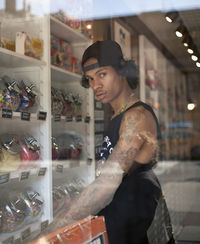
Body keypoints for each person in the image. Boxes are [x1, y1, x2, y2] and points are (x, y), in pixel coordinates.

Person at [40, 40, 162, 244]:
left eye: (102, 74)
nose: (95, 85)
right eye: (90, 79)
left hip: (126, 231)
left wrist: (52, 231)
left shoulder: (136, 117)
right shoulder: (119, 115)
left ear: (121, 71)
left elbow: (105, 186)